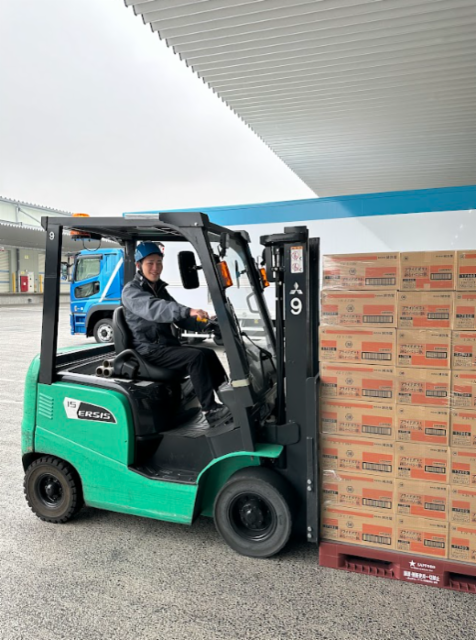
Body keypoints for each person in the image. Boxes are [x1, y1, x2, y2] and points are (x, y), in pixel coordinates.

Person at [121, 241, 232, 426]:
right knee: (195, 357)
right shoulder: (132, 291)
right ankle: (210, 410)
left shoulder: (159, 289)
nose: (156, 268)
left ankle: (229, 396)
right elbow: (155, 308)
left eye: (159, 262)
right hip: (149, 350)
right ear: (139, 265)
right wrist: (188, 311)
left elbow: (180, 318)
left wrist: (207, 324)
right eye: (150, 263)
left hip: (164, 346)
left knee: (208, 353)